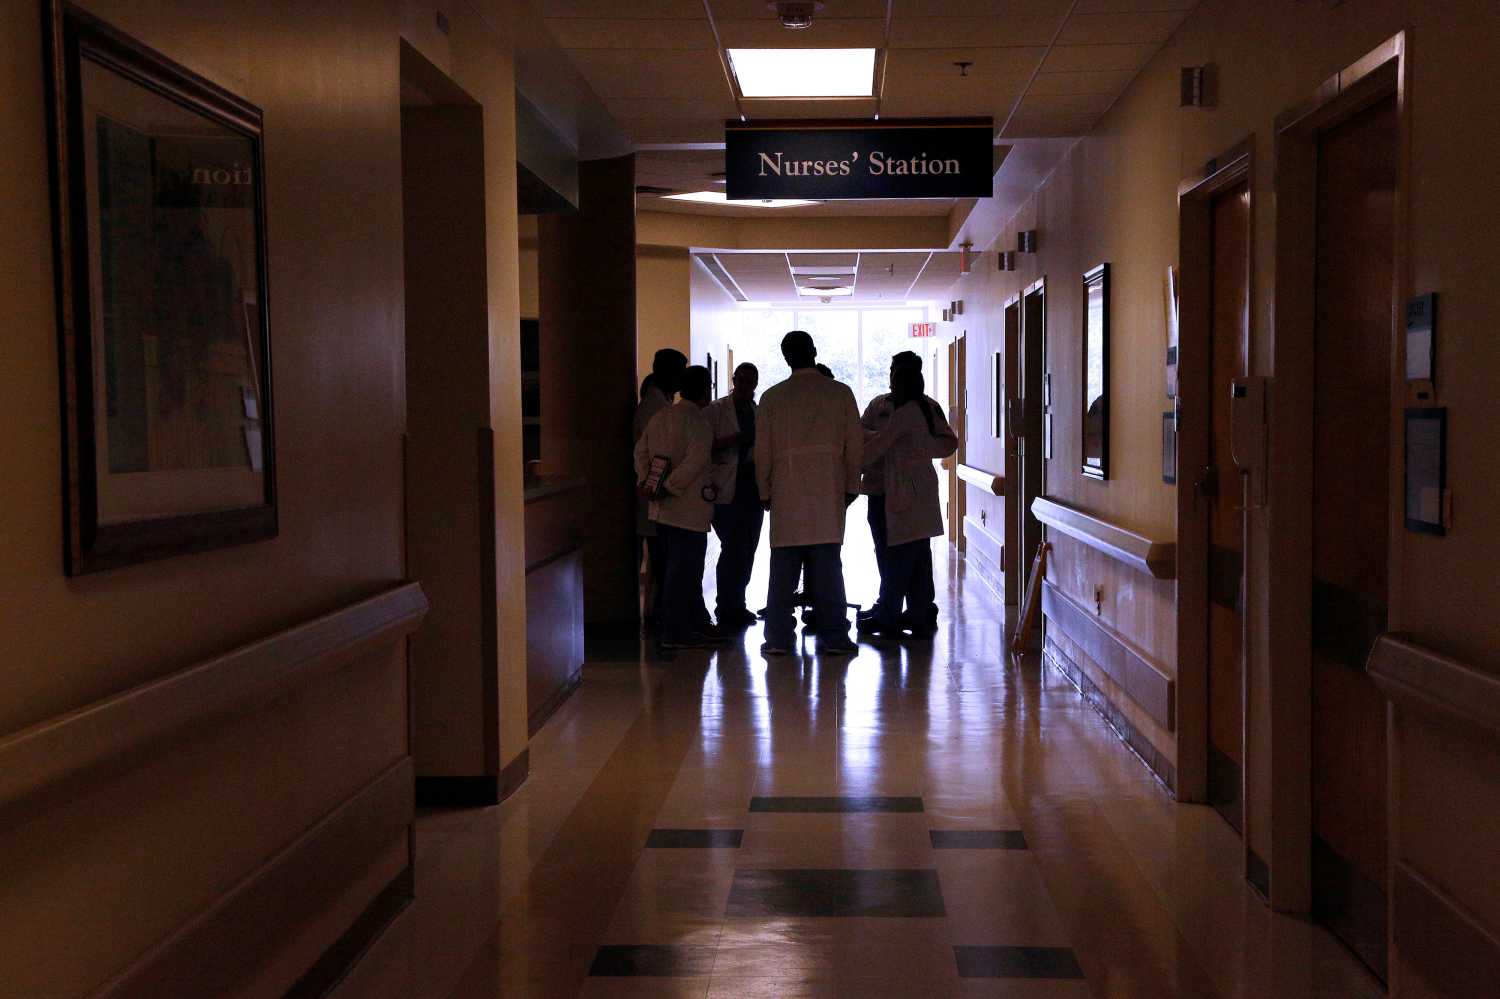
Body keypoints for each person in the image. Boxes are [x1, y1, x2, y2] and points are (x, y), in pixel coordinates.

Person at [755, 331, 863, 657]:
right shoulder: (840, 393)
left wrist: (764, 490)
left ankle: (777, 637)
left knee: (782, 572)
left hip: (786, 494)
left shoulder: (772, 398)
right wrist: (851, 486)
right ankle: (834, 636)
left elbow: (762, 452)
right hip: (828, 493)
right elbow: (854, 446)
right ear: (814, 351)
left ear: (786, 358)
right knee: (828, 570)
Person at [858, 351, 957, 634]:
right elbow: (862, 433)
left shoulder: (920, 409)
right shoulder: (881, 404)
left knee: (906, 554)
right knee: (895, 552)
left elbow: (947, 442)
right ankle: (911, 610)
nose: (891, 378)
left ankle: (907, 610)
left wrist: (910, 450)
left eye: (896, 373)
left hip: (906, 492)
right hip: (882, 489)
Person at [634, 365, 724, 650]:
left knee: (670, 570)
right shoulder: (699, 423)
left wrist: (650, 482)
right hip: (688, 511)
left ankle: (683, 626)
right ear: (703, 389)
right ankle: (677, 632)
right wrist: (670, 487)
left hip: (660, 511)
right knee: (683, 574)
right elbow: (695, 462)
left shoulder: (662, 416)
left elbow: (640, 452)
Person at [633, 349, 688, 631]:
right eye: (680, 371)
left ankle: (659, 615)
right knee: (660, 558)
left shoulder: (658, 404)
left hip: (654, 495)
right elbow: (654, 455)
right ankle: (659, 617)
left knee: (660, 558)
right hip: (655, 496)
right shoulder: (654, 409)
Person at [705, 363, 762, 628]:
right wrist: (733, 440)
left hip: (752, 489)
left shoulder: (758, 411)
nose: (747, 386)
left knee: (748, 548)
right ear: (734, 379)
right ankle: (725, 606)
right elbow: (702, 447)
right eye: (743, 380)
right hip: (726, 488)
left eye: (752, 382)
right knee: (733, 548)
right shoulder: (715, 411)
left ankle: (737, 604)